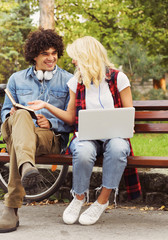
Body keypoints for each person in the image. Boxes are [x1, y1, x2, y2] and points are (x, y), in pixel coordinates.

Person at [28, 36, 141, 226]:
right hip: (87, 136)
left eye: (76, 57)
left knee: (118, 148)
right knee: (82, 151)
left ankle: (101, 201)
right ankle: (78, 198)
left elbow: (129, 113)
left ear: (87, 56)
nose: (73, 61)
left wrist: (126, 126)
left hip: (115, 136)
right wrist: (46, 105)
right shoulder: (76, 82)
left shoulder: (118, 78)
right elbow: (71, 118)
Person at [0, 28, 73, 233]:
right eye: (45, 54)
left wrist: (53, 123)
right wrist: (10, 115)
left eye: (54, 53)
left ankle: (11, 208)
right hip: (19, 131)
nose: (51, 58)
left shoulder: (68, 80)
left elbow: (74, 119)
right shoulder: (16, 79)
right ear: (34, 55)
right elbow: (4, 112)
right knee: (20, 115)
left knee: (18, 147)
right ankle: (27, 165)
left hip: (48, 137)